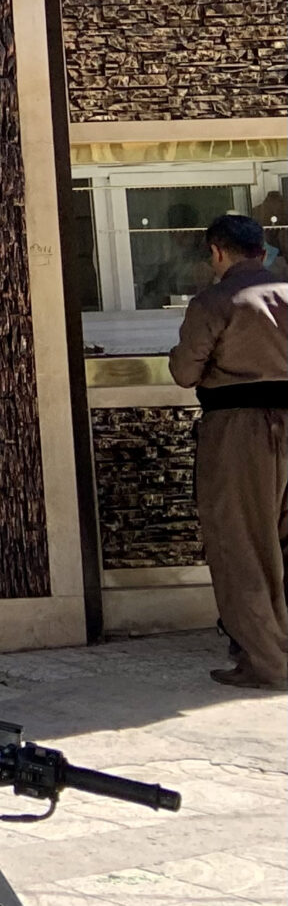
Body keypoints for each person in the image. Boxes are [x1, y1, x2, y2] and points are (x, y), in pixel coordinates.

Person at [169, 212, 288, 690]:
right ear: (263, 249)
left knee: (241, 544)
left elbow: (184, 372)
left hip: (239, 431)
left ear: (217, 252)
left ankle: (267, 664)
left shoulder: (215, 300)